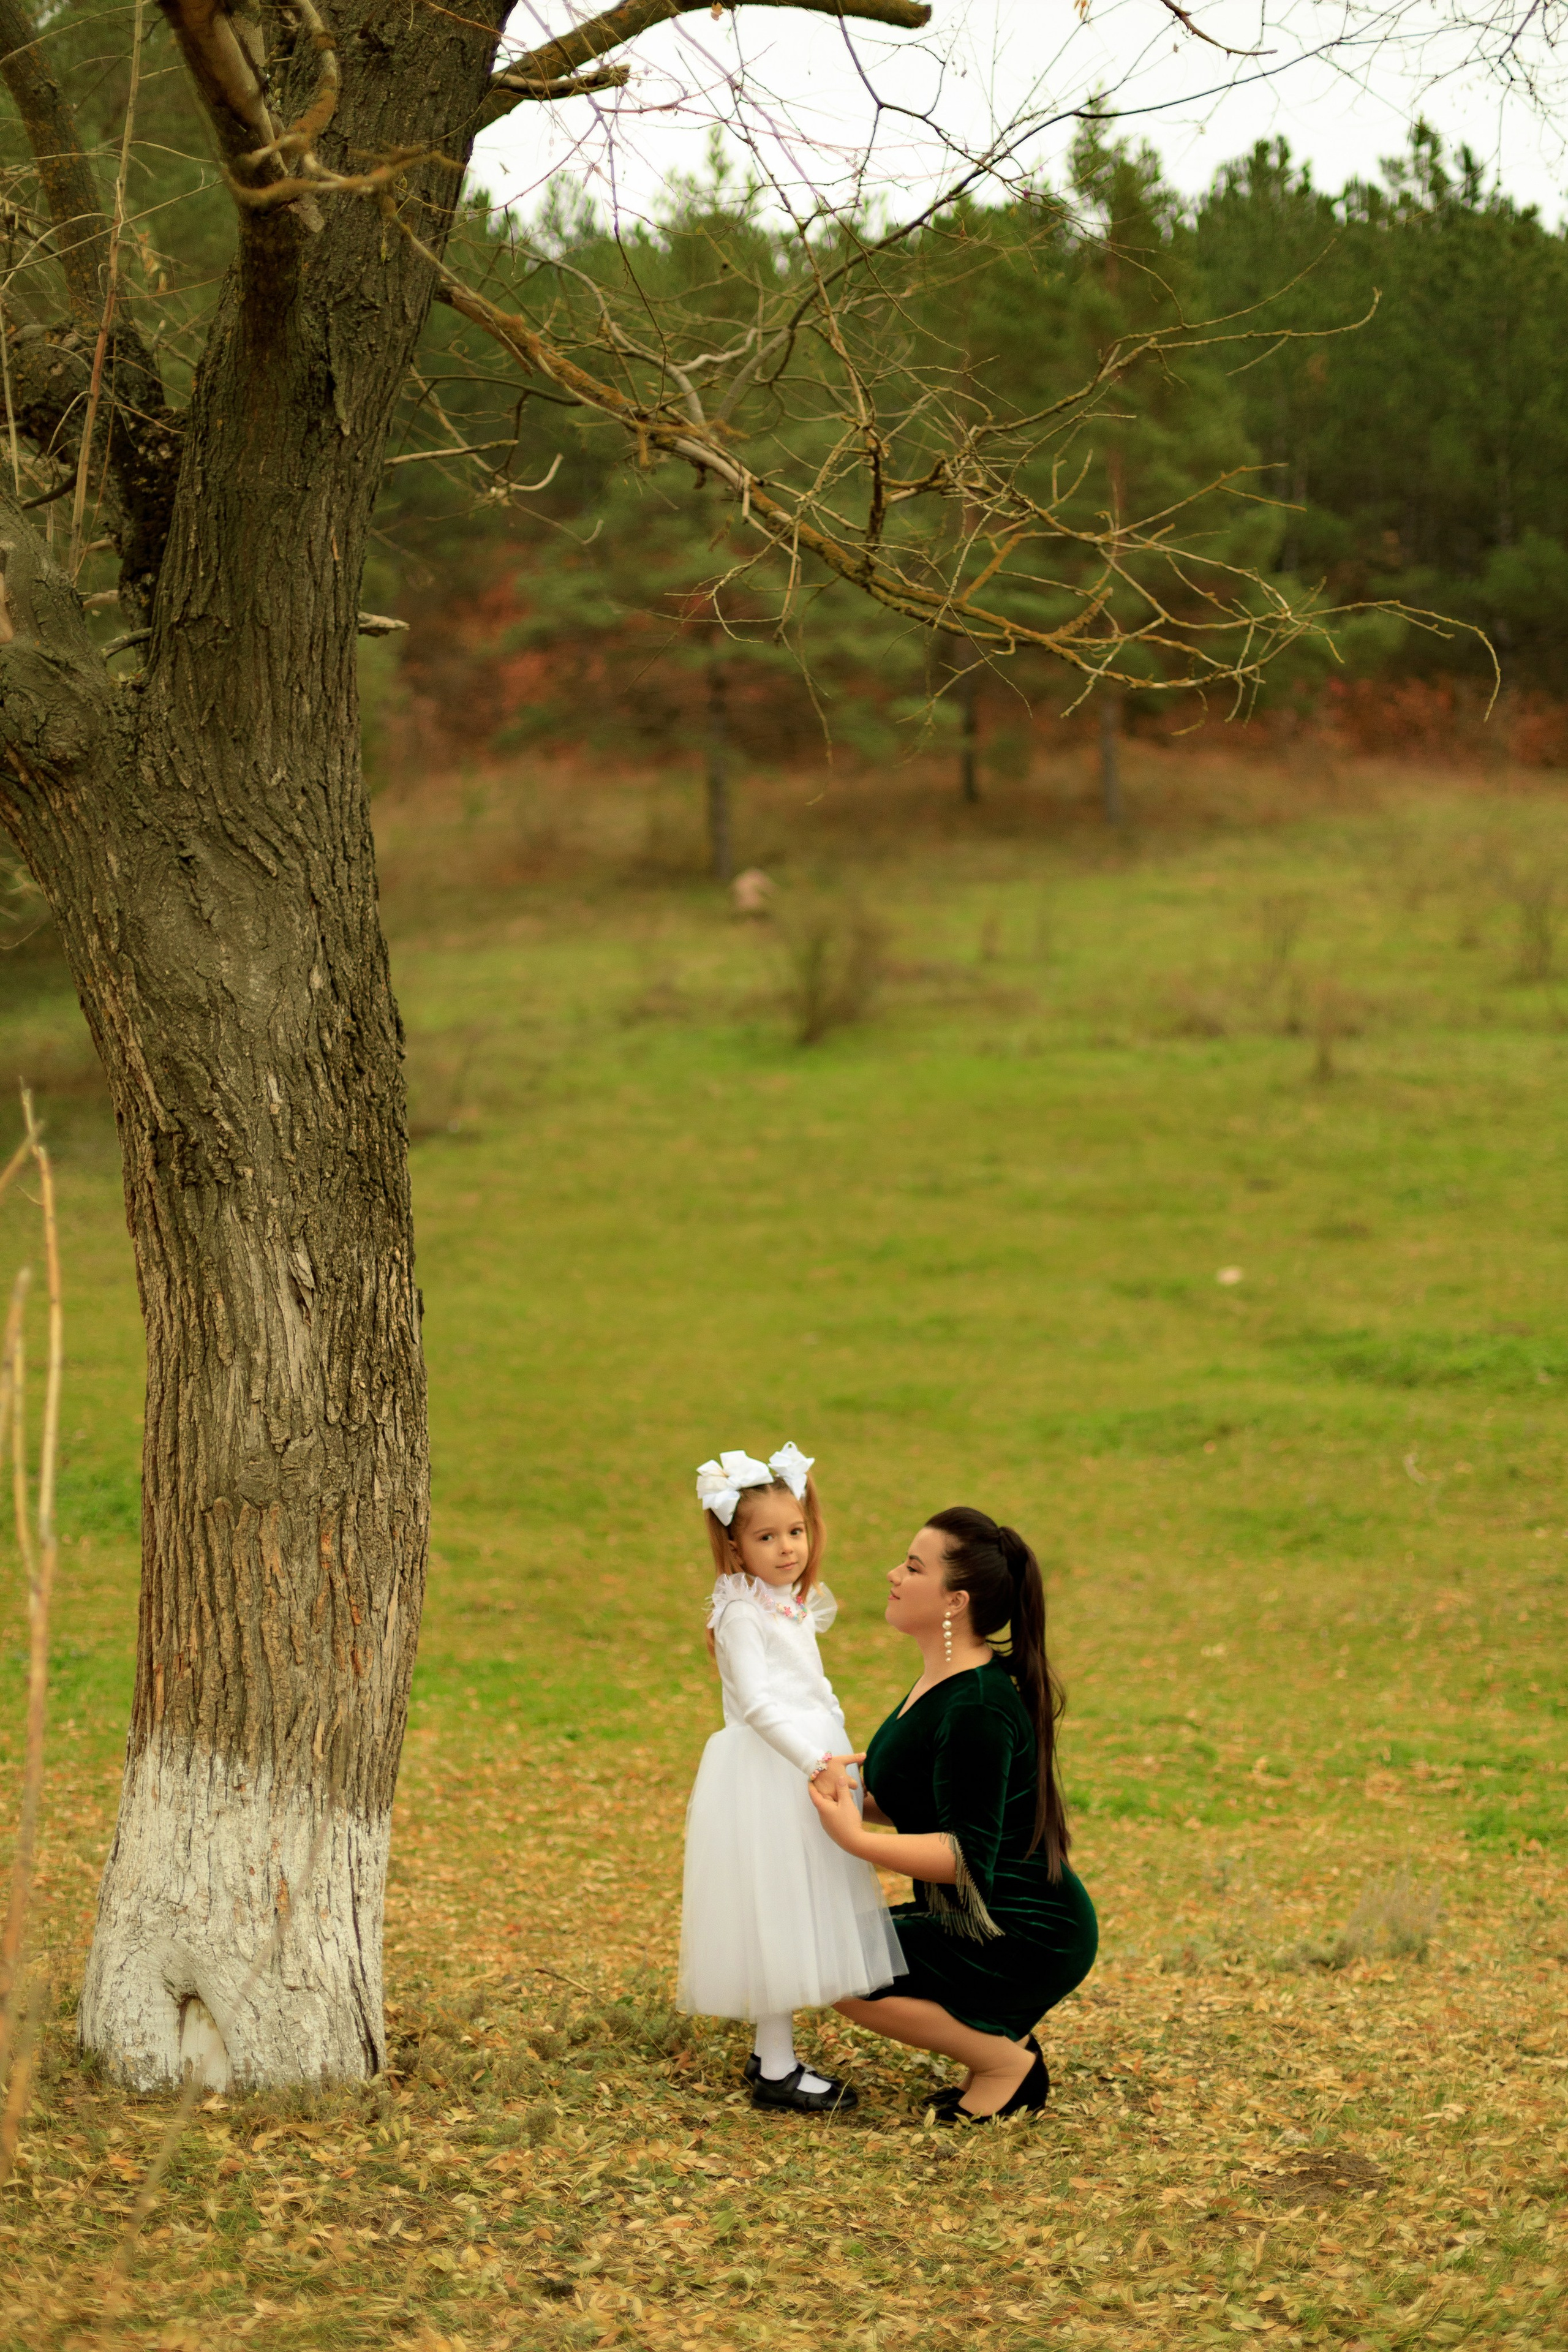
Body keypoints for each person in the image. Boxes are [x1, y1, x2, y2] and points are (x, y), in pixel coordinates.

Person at [807, 1507, 1097, 2123]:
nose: (892, 1574)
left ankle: (1005, 2064)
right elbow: (928, 1802)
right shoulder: (945, 1682)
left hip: (1024, 1932)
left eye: (912, 1567)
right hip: (983, 1917)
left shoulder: (979, 1708)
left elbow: (961, 1856)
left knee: (838, 1970)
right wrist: (844, 1794)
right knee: (834, 1951)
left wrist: (854, 1837)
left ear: (953, 1601)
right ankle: (1003, 2046)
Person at [676, 1444, 903, 2113]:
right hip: (772, 1769)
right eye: (766, 1537)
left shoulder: (788, 1601)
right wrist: (811, 1760)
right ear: (734, 1546)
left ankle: (773, 2053)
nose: (786, 1548)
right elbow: (756, 1702)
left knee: (801, 1903)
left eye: (795, 1531)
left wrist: (836, 1735)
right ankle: (775, 2066)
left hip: (812, 1755)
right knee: (775, 1906)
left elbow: (812, 1680)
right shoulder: (742, 1612)